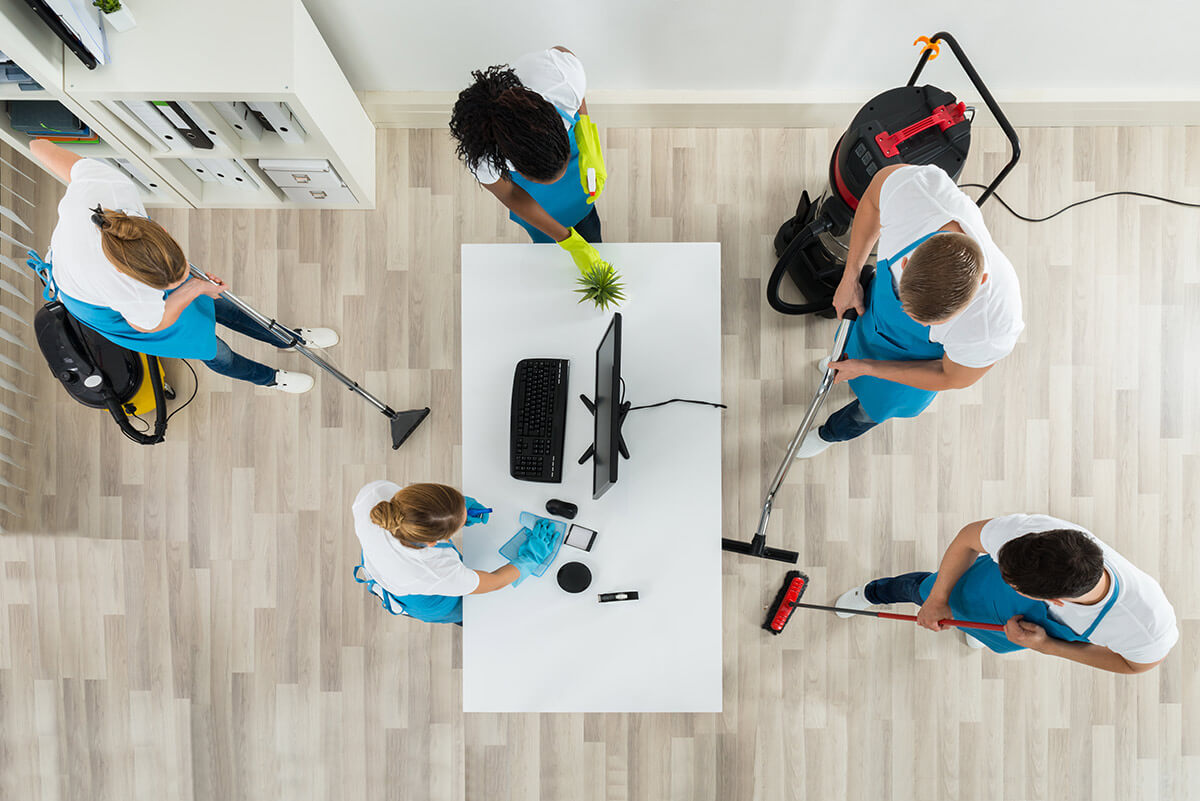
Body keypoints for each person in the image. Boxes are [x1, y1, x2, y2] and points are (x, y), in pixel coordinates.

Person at [30, 140, 336, 393]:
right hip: (99, 304)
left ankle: (286, 338)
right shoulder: (124, 289)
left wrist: (195, 287)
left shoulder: (109, 187)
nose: (181, 282)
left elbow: (37, 145)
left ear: (161, 233)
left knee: (222, 305)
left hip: (115, 265)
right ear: (134, 277)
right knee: (214, 350)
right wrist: (194, 288)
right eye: (167, 286)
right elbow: (150, 324)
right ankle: (269, 378)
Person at [795, 163, 1023, 457]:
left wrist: (868, 368)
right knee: (848, 350)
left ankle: (829, 435)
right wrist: (850, 276)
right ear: (904, 263)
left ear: (983, 282)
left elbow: (948, 375)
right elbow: (873, 200)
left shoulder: (994, 324)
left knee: (867, 411)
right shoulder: (918, 193)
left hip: (919, 366)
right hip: (872, 319)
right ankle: (847, 360)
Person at [836, 514, 1178, 674]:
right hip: (979, 591)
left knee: (988, 633)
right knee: (919, 588)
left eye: (1010, 579)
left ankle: (976, 629)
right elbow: (969, 538)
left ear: (1054, 601)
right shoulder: (1037, 536)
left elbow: (1135, 666)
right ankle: (873, 592)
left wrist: (1045, 645)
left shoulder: (1147, 627)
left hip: (1027, 630)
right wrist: (937, 599)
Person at [448, 46, 613, 278]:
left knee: (587, 219)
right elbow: (510, 195)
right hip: (534, 200)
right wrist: (568, 241)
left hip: (576, 180)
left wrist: (586, 141)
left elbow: (569, 65)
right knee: (549, 251)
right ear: (519, 171)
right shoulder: (484, 157)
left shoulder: (558, 80)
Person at [351, 481, 542, 625]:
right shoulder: (435, 570)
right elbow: (494, 582)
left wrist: (455, 512)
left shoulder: (374, 495)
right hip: (425, 600)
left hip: (378, 563)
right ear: (432, 542)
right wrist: (530, 558)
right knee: (473, 613)